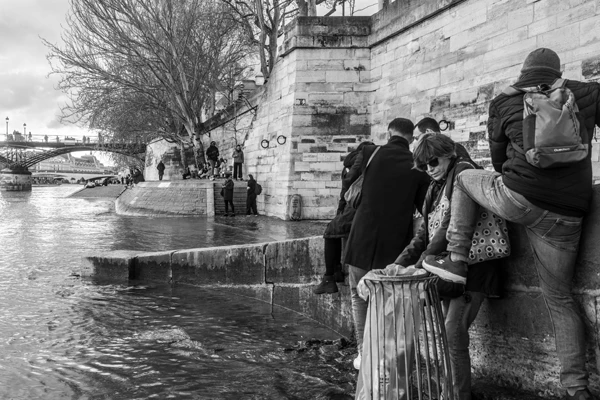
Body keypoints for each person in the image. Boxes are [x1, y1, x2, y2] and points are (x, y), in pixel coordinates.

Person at [422, 48, 600, 400]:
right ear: (557, 71)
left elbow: (500, 160)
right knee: (560, 300)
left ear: (524, 72)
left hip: (519, 199)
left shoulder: (503, 101)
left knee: (464, 176)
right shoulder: (588, 93)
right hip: (570, 212)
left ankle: (456, 260)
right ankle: (576, 390)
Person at [388, 133, 501, 400]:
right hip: (449, 268)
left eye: (433, 161)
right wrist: (397, 264)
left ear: (449, 153)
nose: (430, 168)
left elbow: (448, 228)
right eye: (424, 165)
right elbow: (424, 233)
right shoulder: (434, 186)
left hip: (475, 265)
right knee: (448, 333)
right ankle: (449, 391)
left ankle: (458, 394)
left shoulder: (464, 174)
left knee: (453, 332)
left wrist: (418, 265)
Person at [343, 117, 430, 369]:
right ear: (411, 138)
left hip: (361, 237)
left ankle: (363, 353)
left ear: (388, 132)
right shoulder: (418, 166)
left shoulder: (371, 152)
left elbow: (348, 183)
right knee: (388, 299)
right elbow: (424, 207)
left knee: (359, 294)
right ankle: (385, 356)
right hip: (396, 245)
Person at [313, 141, 374, 294]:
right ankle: (335, 273)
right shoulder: (368, 162)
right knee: (333, 231)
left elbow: (345, 189)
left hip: (352, 207)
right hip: (362, 207)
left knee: (331, 232)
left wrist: (340, 210)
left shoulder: (351, 164)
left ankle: (330, 276)